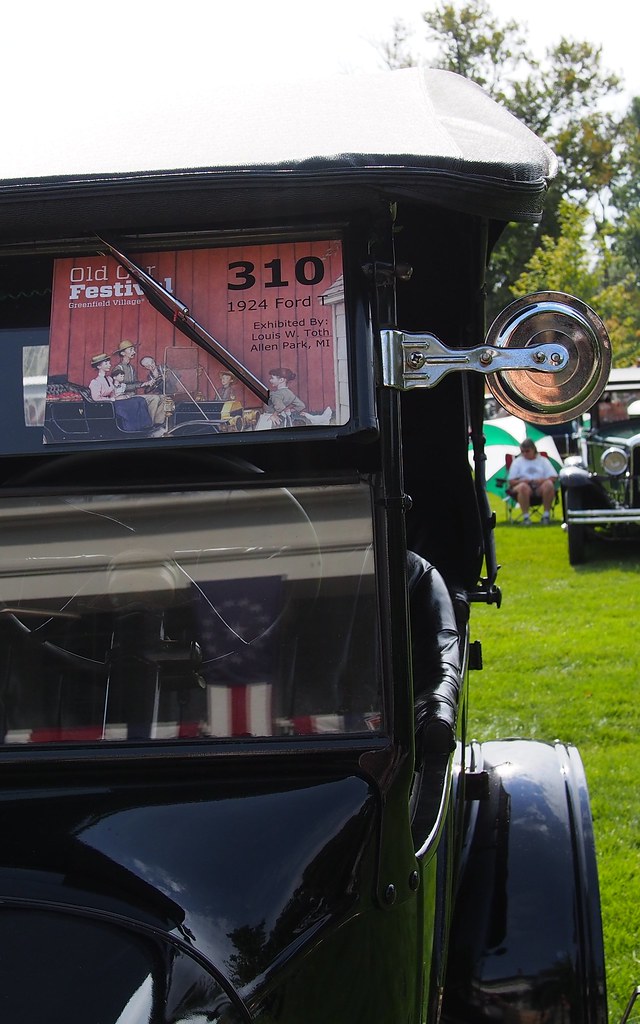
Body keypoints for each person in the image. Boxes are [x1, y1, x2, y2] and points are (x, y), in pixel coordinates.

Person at [112, 342, 167, 433]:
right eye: (131, 350)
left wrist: (146, 383)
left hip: (133, 396)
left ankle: (158, 424)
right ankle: (149, 426)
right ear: (123, 353)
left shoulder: (131, 368)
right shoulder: (118, 368)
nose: (134, 352)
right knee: (155, 398)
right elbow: (121, 387)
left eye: (134, 349)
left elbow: (135, 383)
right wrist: (142, 385)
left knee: (163, 398)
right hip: (125, 398)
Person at [507, 439, 558, 525]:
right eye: (522, 451)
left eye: (527, 451)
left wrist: (542, 480)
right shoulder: (517, 462)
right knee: (523, 487)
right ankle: (526, 518)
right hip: (522, 488)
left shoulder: (543, 461)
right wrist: (522, 481)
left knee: (549, 484)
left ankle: (546, 516)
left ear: (534, 449)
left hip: (541, 488)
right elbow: (511, 481)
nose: (525, 454)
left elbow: (553, 477)